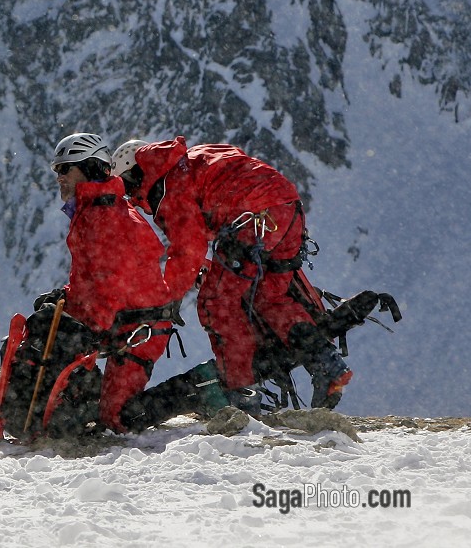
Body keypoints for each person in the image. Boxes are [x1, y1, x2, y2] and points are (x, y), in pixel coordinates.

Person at [113, 137, 352, 411]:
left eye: (129, 187)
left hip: (251, 218)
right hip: (286, 209)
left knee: (216, 305)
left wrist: (167, 299)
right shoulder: (191, 159)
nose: (133, 197)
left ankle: (241, 396)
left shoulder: (167, 186)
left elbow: (187, 247)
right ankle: (328, 366)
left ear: (137, 172)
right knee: (270, 297)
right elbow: (210, 216)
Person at [45, 133, 175, 433]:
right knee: (101, 412)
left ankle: (205, 388)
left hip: (138, 328)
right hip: (123, 323)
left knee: (119, 417)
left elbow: (110, 281)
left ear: (90, 168)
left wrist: (86, 327)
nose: (58, 177)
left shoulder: (104, 213)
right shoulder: (94, 209)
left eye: (65, 169)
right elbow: (91, 278)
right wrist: (66, 299)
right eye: (57, 170)